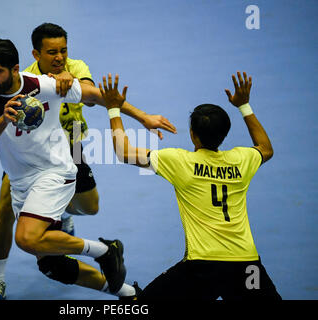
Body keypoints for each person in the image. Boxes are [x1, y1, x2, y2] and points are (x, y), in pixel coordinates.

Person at [0, 23, 175, 299]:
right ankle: (127, 293)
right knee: (52, 263)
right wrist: (3, 117)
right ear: (35, 55)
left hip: (60, 160)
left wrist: (143, 116)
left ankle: (102, 249)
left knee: (36, 233)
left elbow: (95, 94)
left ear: (14, 70)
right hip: (21, 178)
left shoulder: (46, 83)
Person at [98, 72, 282, 300]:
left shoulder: (180, 162)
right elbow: (265, 148)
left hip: (202, 266)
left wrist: (113, 109)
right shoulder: (242, 160)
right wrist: (244, 106)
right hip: (246, 264)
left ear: (193, 135)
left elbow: (123, 151)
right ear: (224, 134)